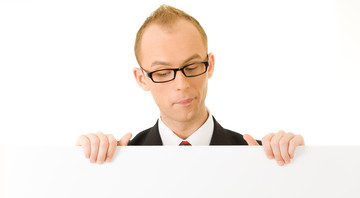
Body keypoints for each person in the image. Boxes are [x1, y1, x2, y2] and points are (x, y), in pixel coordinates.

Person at [76, 4, 304, 166]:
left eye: (192, 66)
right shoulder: (117, 160)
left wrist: (300, 166)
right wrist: (80, 164)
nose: (181, 84)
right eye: (163, 72)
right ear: (141, 78)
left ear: (210, 64)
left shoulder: (260, 157)